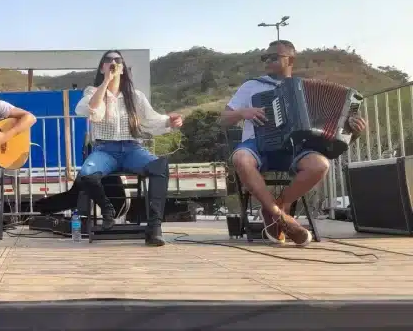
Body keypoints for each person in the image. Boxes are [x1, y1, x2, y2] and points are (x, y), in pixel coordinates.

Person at [219, 40, 367, 246]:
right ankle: (279, 215)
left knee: (320, 165)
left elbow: (334, 130)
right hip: (258, 145)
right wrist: (244, 112)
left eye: (274, 57)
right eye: (265, 57)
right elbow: (223, 119)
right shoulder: (251, 86)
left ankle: (278, 208)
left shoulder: (303, 88)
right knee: (241, 159)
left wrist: (353, 129)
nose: (267, 61)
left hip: (294, 148)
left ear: (290, 60)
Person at [74, 50, 183, 247]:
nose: (113, 62)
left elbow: (150, 120)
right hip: (105, 149)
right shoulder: (93, 92)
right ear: (102, 67)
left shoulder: (135, 96)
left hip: (132, 149)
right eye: (108, 60)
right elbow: (91, 110)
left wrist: (170, 121)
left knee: (160, 167)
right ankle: (107, 209)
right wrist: (106, 82)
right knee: (86, 175)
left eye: (118, 60)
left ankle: (154, 228)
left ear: (123, 68)